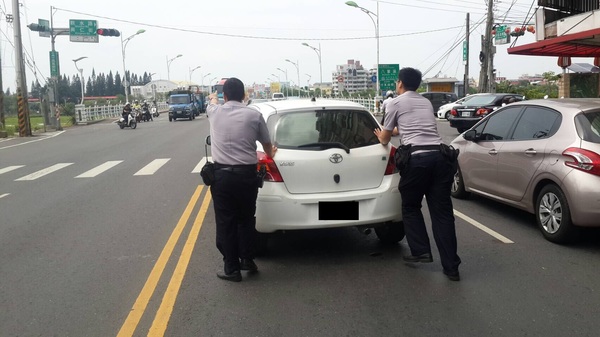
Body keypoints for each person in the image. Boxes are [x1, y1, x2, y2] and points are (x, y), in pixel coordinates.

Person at [374, 67, 461, 281]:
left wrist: (381, 134)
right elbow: (413, 127)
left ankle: (421, 250)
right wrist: (395, 130)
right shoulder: (425, 102)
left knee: (411, 206)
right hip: (440, 158)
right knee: (442, 214)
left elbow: (385, 138)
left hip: (418, 160)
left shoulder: (394, 102)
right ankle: (451, 268)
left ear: (400, 83)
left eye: (396, 82)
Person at [206, 77, 276, 282]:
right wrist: (273, 152)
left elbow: (212, 103)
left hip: (223, 177)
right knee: (246, 219)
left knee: (226, 222)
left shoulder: (214, 112)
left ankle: (232, 269)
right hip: (247, 176)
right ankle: (247, 260)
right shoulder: (254, 115)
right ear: (244, 95)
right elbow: (267, 145)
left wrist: (213, 97)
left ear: (225, 95)